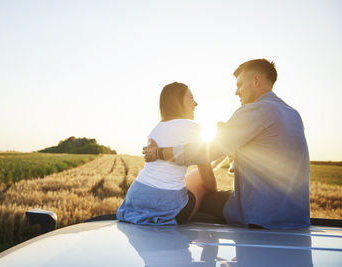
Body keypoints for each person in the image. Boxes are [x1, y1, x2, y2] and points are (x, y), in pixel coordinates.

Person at [143, 59, 311, 229]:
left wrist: (159, 153)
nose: (236, 92)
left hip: (262, 217)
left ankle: (194, 247)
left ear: (256, 80)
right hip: (296, 217)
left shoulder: (256, 110)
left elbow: (205, 151)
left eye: (239, 85)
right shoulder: (293, 114)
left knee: (203, 196)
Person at [117, 82, 217, 225]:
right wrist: (214, 193)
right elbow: (209, 180)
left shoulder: (156, 129)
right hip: (167, 205)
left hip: (136, 196)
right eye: (191, 98)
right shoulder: (195, 129)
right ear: (178, 102)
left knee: (187, 179)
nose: (196, 103)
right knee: (201, 182)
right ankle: (210, 245)